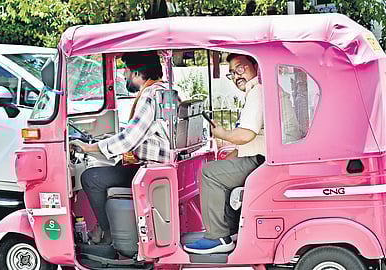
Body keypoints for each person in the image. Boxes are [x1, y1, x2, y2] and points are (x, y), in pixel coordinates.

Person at [70, 51, 171, 244]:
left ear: (136, 73)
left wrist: (90, 147)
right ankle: (102, 228)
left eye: (125, 70)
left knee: (90, 178)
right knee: (113, 168)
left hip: (150, 171)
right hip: (157, 168)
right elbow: (138, 135)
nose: (124, 75)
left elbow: (128, 141)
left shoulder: (150, 96)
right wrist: (105, 142)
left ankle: (109, 235)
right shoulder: (166, 90)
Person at [184, 53, 266, 255]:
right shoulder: (255, 92)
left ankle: (217, 237)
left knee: (209, 173)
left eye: (241, 68)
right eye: (232, 73)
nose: (237, 75)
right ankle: (231, 230)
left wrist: (223, 134)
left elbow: (246, 134)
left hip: (262, 161)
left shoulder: (258, 92)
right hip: (261, 157)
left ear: (255, 65)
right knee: (218, 167)